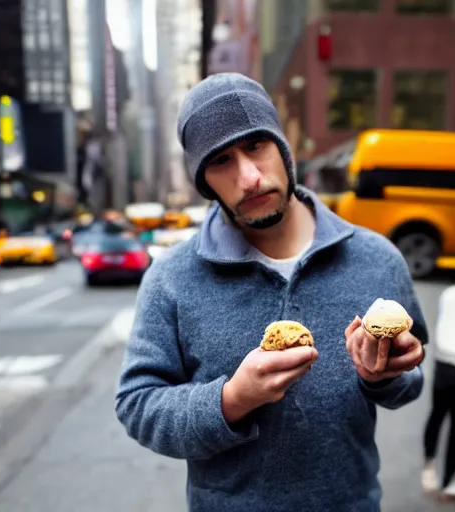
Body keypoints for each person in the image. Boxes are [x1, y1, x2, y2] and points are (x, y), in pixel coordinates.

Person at [115, 73, 428, 512]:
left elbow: (411, 380)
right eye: (222, 160)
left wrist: (387, 375)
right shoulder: (171, 278)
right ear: (204, 182)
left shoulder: (377, 258)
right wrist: (231, 399)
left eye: (256, 146)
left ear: (283, 148)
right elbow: (137, 404)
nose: (249, 177)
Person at [422, 284, 455, 500]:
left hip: (444, 363)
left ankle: (429, 465)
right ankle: (447, 483)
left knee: (437, 415)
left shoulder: (450, 293)